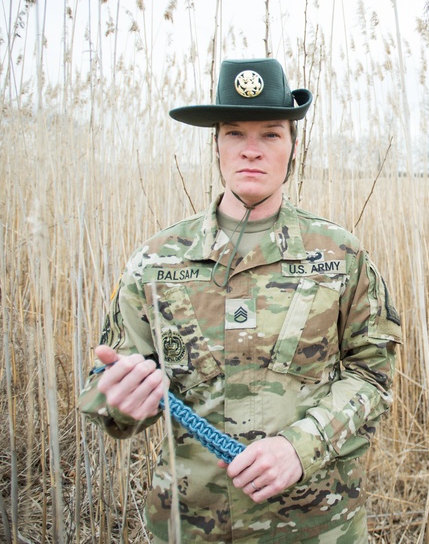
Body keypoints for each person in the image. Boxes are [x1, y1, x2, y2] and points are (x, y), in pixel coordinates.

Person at [78, 58, 402, 543]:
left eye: (271, 134)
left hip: (315, 525)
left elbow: (372, 376)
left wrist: (301, 445)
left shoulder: (340, 255)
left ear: (293, 148)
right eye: (234, 134)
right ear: (216, 146)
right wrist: (120, 402)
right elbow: (106, 390)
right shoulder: (157, 260)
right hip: (192, 525)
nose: (252, 151)